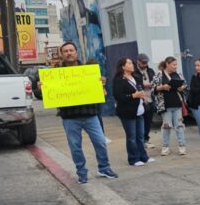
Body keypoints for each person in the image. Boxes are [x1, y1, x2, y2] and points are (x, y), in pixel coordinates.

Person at [52, 42, 118, 184]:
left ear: (76, 52)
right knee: (75, 147)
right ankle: (81, 173)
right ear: (62, 54)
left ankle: (104, 168)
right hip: (70, 117)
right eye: (65, 51)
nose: (69, 53)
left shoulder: (88, 70)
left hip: (90, 115)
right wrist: (41, 87)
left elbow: (100, 92)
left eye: (71, 50)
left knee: (100, 142)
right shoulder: (55, 74)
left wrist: (101, 83)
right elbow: (44, 94)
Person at [112, 57, 153, 166]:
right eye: (129, 63)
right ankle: (133, 159)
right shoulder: (119, 79)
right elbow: (119, 96)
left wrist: (142, 95)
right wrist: (133, 96)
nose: (132, 65)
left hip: (139, 110)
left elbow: (139, 89)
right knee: (131, 137)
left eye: (132, 63)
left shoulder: (136, 77)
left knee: (140, 136)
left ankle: (143, 157)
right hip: (127, 112)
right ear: (123, 66)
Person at [152, 57, 187, 156]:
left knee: (179, 126)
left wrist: (182, 88)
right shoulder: (159, 75)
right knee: (166, 126)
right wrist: (162, 87)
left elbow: (185, 86)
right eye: (173, 65)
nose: (176, 67)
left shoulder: (179, 74)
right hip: (165, 105)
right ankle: (165, 147)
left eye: (176, 65)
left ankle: (182, 146)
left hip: (177, 104)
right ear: (167, 64)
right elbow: (152, 89)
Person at [134, 53, 156, 149]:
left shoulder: (150, 71)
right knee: (140, 122)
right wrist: (143, 85)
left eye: (146, 63)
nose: (145, 65)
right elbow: (133, 85)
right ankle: (139, 140)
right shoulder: (134, 72)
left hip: (150, 98)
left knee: (148, 121)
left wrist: (152, 84)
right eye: (143, 63)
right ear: (138, 61)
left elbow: (155, 81)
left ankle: (146, 139)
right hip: (140, 100)